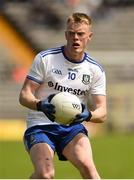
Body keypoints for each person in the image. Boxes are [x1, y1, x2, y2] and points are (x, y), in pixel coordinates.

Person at [19, 12, 107, 179]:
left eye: (80, 34)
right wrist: (40, 105)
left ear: (89, 36)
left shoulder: (95, 70)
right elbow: (24, 95)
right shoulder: (46, 59)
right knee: (45, 174)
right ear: (66, 34)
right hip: (40, 125)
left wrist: (88, 115)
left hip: (72, 128)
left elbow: (102, 112)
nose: (76, 38)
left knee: (90, 170)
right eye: (71, 33)